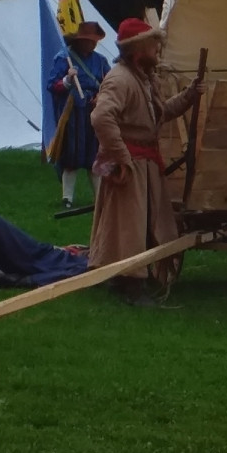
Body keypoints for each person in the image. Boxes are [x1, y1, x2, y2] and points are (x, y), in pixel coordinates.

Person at [88, 18, 206, 306]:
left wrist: (190, 96)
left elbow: (159, 113)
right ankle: (130, 283)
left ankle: (131, 277)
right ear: (139, 48)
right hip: (132, 164)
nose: (158, 49)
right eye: (154, 44)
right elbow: (101, 117)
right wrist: (121, 157)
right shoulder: (120, 78)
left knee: (141, 224)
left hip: (145, 162)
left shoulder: (142, 77)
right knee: (128, 226)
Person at [47, 21, 112, 209]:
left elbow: (109, 83)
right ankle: (67, 198)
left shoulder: (100, 61)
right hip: (71, 112)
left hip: (94, 111)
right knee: (71, 155)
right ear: (80, 41)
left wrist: (100, 96)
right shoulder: (63, 58)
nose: (92, 44)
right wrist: (67, 79)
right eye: (89, 41)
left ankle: (99, 198)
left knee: (95, 154)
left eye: (94, 41)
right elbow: (53, 85)